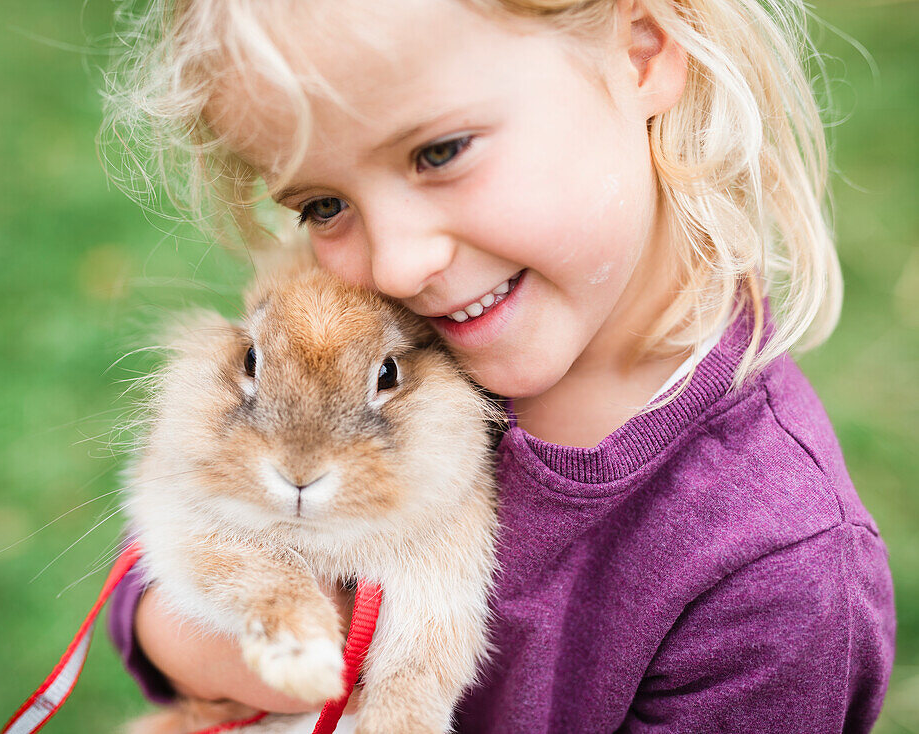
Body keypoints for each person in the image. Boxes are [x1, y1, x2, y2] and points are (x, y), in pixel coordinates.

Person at [100, 0, 895, 730]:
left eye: (440, 152)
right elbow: (172, 546)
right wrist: (222, 630)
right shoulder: (413, 334)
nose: (400, 265)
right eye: (324, 206)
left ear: (642, 53)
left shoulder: (778, 579)